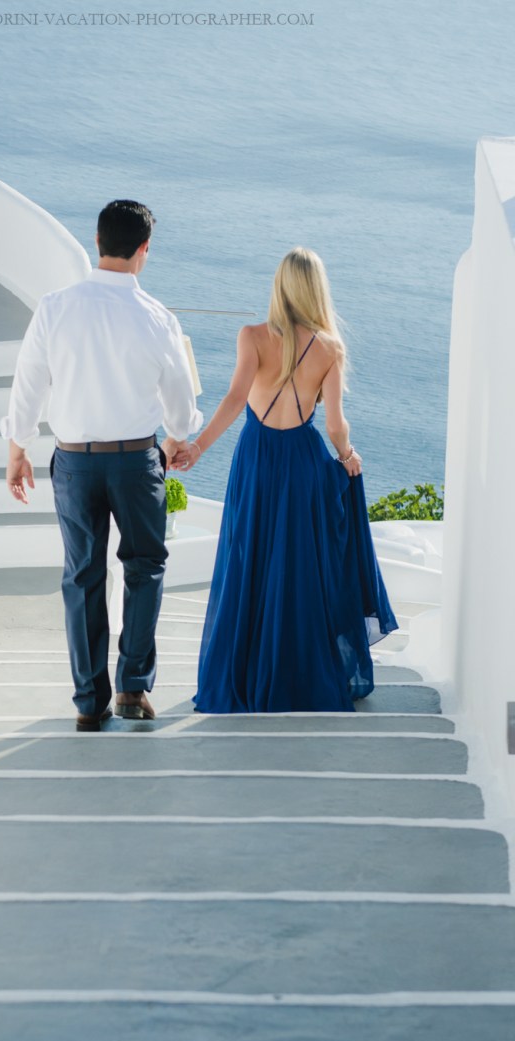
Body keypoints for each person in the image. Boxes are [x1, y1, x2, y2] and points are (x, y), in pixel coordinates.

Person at [2, 200, 203, 731]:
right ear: (144, 250)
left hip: (74, 461)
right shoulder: (158, 316)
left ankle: (90, 701)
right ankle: (133, 690)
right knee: (144, 568)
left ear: (96, 241)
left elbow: (29, 383)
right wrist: (179, 438)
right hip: (137, 461)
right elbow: (179, 399)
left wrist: (18, 448)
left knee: (83, 576)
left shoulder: (55, 307)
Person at [172, 247, 397, 712]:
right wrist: (348, 456)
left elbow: (235, 400)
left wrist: (196, 448)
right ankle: (297, 674)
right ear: (317, 289)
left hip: (255, 460)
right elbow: (335, 425)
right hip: (303, 465)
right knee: (298, 569)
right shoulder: (331, 348)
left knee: (248, 559)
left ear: (279, 285)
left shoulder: (252, 336)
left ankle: (245, 673)